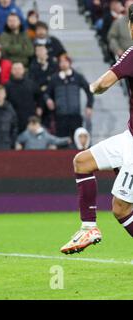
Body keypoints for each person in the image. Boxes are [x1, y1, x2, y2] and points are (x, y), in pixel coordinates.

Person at [60, 4, 133, 255]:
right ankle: (89, 227)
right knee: (83, 161)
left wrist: (91, 88)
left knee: (122, 208)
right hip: (129, 137)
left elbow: (103, 84)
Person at [45, 54, 94, 138]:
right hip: (60, 115)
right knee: (62, 141)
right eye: (61, 62)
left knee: (77, 140)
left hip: (75, 115)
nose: (63, 64)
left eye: (65, 61)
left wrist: (89, 106)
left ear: (69, 63)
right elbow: (46, 93)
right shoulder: (54, 78)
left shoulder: (78, 77)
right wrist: (48, 100)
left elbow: (89, 90)